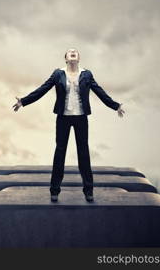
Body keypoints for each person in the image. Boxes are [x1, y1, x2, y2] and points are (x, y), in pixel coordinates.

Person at [12, 48, 125, 203]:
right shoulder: (58, 73)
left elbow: (99, 91)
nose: (73, 52)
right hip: (63, 118)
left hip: (81, 118)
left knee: (84, 153)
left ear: (79, 58)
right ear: (66, 58)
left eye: (75, 51)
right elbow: (42, 89)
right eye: (69, 51)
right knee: (60, 153)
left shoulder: (87, 74)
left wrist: (115, 105)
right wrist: (23, 101)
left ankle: (89, 190)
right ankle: (54, 190)